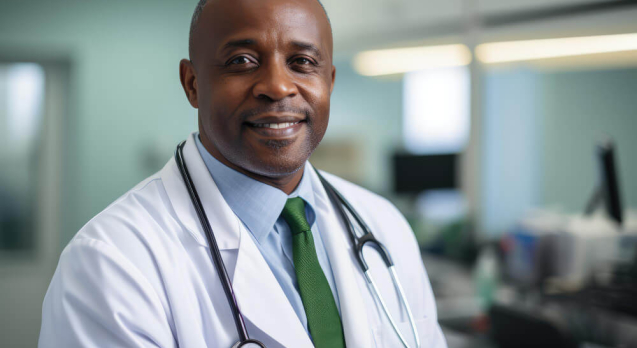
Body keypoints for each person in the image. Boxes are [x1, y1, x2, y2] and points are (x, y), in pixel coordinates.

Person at [39, 0, 447, 347]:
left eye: (302, 62)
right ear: (192, 83)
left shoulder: (384, 226)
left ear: (330, 81)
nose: (277, 86)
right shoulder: (110, 263)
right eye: (242, 61)